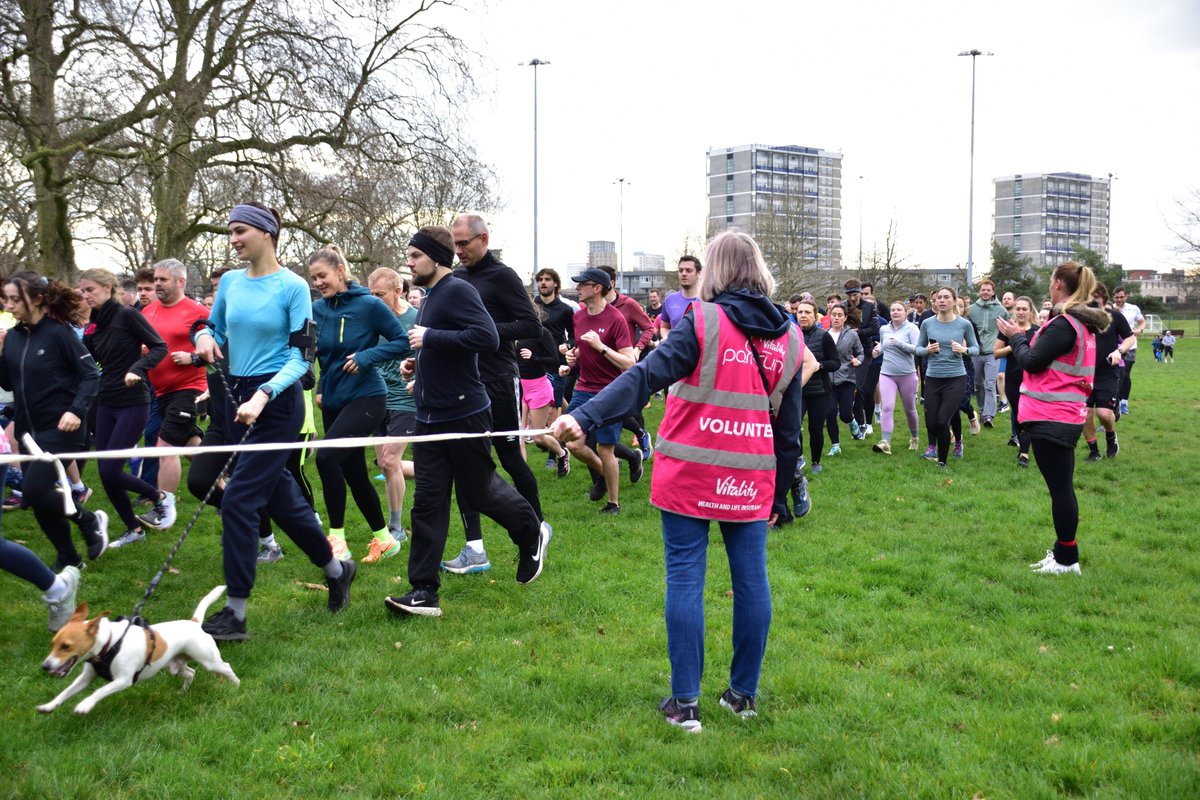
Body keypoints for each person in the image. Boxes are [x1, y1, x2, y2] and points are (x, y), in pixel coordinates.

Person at [551, 230, 816, 732]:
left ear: (714, 271)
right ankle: (742, 697)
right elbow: (788, 428)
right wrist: (780, 493)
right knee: (751, 582)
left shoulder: (703, 319)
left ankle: (685, 704)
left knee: (687, 580)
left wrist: (585, 417)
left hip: (691, 473)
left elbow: (643, 376)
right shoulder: (791, 335)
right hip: (751, 478)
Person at [194, 202, 355, 640]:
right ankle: (336, 569)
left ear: (267, 233)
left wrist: (265, 393)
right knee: (280, 499)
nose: (233, 239)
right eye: (230, 231)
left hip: (277, 401)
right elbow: (214, 328)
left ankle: (235, 613)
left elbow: (301, 357)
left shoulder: (293, 286)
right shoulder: (229, 282)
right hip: (235, 399)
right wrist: (205, 336)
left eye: (240, 230)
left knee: (239, 501)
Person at [384, 225, 549, 618]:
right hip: (430, 413)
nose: (409, 264)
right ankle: (423, 591)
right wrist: (419, 364)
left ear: (435, 259)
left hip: (464, 413)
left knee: (479, 492)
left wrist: (432, 339)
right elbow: (442, 342)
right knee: (427, 502)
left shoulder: (458, 289)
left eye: (414, 257)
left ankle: (531, 532)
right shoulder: (434, 295)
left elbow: (487, 337)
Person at [441, 214, 548, 576]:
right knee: (465, 464)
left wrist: (483, 330)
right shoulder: (456, 277)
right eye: (454, 244)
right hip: (465, 383)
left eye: (464, 243)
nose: (458, 251)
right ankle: (475, 549)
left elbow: (531, 325)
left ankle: (537, 529)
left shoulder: (502, 276)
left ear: (483, 239)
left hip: (499, 379)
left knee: (510, 458)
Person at [998, 261, 1107, 575]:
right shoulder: (1080, 324)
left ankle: (1066, 560)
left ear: (1059, 283)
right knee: (1062, 487)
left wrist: (1016, 337)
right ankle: (1063, 552)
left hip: (1052, 415)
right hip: (1065, 413)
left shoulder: (1064, 324)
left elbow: (1032, 361)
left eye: (1050, 280)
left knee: (1060, 489)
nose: (1049, 284)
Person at [0, 271, 108, 571]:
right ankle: (69, 557)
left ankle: (88, 519)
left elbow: (90, 376)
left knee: (33, 492)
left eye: (14, 299)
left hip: (63, 427)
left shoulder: (59, 333)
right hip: (28, 432)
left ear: (36, 299)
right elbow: (8, 384)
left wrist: (76, 410)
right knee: (37, 499)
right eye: (5, 299)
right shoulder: (13, 338)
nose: (8, 306)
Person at [309, 245, 408, 563]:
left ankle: (336, 538)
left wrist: (367, 356)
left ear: (340, 271)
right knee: (353, 472)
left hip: (368, 396)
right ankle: (384, 539)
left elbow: (401, 341)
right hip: (334, 400)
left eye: (322, 276)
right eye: (314, 278)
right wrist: (321, 385)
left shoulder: (369, 305)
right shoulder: (317, 309)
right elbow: (321, 354)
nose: (318, 283)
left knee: (325, 459)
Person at [77, 269, 167, 548]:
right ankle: (133, 529)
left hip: (133, 401)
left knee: (110, 470)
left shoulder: (127, 314)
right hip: (106, 402)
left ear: (108, 288)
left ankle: (159, 497)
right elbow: (88, 360)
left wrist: (137, 369)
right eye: (82, 291)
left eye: (90, 289)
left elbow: (158, 347)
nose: (85, 295)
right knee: (106, 471)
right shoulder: (93, 325)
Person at [136, 259, 210, 531]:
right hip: (161, 391)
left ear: (181, 282)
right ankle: (228, 487)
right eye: (155, 279)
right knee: (190, 445)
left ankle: (165, 508)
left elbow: (217, 347)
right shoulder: (148, 312)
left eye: (163, 280)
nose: (157, 284)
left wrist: (193, 357)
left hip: (190, 388)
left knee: (164, 447)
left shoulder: (197, 311)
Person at [558, 268, 638, 514]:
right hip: (583, 387)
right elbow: (584, 350)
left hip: (610, 392)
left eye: (583, 284)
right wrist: (573, 361)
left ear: (597, 288)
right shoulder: (579, 317)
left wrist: (601, 347)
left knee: (605, 448)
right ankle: (603, 475)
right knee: (569, 441)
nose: (578, 288)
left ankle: (613, 503)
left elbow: (629, 363)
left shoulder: (616, 319)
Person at [366, 267, 419, 555]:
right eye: (371, 294)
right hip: (376, 397)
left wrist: (414, 370)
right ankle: (430, 473)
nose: (374, 300)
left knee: (389, 461)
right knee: (388, 467)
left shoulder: (415, 319)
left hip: (405, 399)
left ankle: (396, 527)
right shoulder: (371, 318)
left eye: (380, 295)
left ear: (397, 291)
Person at [914, 287, 979, 467]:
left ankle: (942, 461)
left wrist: (963, 349)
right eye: (938, 298)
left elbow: (976, 349)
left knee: (943, 420)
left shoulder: (964, 324)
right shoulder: (927, 323)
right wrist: (927, 350)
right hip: (933, 378)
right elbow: (918, 349)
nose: (941, 300)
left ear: (953, 301)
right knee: (932, 423)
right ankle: (940, 451)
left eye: (946, 297)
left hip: (955, 378)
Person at [1081, 283, 1134, 462]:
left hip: (1107, 373)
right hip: (1084, 374)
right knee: (1084, 414)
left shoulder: (1115, 317)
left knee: (1103, 413)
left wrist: (1119, 351)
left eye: (1095, 299)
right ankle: (1093, 450)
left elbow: (1130, 337)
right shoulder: (1081, 319)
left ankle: (1111, 436)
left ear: (1103, 299)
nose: (1092, 304)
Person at [517, 301, 570, 477]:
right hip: (519, 387)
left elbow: (554, 360)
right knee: (519, 436)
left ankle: (562, 454)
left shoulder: (542, 333)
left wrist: (533, 358)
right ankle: (522, 480)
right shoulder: (514, 335)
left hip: (538, 387)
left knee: (538, 436)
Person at [872, 301, 921, 454]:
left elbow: (918, 349)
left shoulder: (912, 328)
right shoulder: (884, 329)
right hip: (887, 373)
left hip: (907, 374)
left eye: (899, 310)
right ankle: (885, 442)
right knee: (887, 407)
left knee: (910, 409)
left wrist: (899, 343)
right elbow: (883, 345)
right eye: (893, 310)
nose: (895, 312)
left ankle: (914, 437)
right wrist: (877, 350)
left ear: (905, 312)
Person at [794, 300, 838, 474]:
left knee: (815, 428)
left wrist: (818, 366)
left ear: (815, 316)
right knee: (794, 425)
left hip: (819, 391)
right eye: (800, 312)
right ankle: (799, 458)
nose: (803, 315)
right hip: (797, 390)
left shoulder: (824, 336)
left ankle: (816, 462)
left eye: (807, 312)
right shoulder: (791, 334)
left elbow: (835, 363)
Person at [995, 296, 1037, 466]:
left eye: (1024, 309)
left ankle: (1024, 453)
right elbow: (996, 353)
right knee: (1019, 414)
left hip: (1033, 379)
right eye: (1017, 309)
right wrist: (1013, 345)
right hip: (1013, 378)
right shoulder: (1007, 330)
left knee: (1029, 416)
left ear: (1030, 311)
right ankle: (1023, 446)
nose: (1020, 312)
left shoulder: (1038, 331)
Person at [533, 268, 576, 428]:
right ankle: (574, 418)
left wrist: (567, 345)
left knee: (554, 405)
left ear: (555, 284)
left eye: (547, 279)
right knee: (537, 402)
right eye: (540, 279)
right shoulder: (531, 306)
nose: (543, 282)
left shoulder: (565, 309)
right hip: (533, 360)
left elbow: (573, 335)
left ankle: (555, 447)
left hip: (556, 362)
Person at [967, 278, 1008, 428]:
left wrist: (1003, 344)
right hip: (976, 351)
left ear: (993, 292)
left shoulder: (1001, 310)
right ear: (979, 291)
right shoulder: (971, 309)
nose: (985, 292)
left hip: (993, 352)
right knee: (978, 384)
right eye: (983, 290)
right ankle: (982, 409)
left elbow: (1008, 327)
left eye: (988, 290)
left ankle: (988, 415)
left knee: (990, 384)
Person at [824, 304, 863, 456]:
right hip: (828, 380)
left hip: (847, 378)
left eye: (840, 315)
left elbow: (860, 352)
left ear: (845, 318)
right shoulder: (824, 334)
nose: (836, 318)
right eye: (834, 314)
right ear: (830, 316)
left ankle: (852, 422)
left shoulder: (852, 335)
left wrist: (857, 361)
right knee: (830, 413)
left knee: (846, 414)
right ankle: (835, 445)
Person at [1111, 286, 1145, 415]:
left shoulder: (1133, 308)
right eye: (1117, 297)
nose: (1119, 299)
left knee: (1125, 374)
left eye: (1121, 297)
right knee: (1116, 375)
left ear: (1126, 296)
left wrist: (1140, 330)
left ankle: (1123, 402)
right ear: (1113, 297)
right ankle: (1115, 403)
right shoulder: (1110, 308)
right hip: (1114, 346)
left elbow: (1142, 322)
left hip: (1130, 346)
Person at [658, 255, 702, 341]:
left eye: (688, 270)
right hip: (677, 352)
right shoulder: (670, 300)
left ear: (698, 273)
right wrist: (668, 340)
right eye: (681, 270)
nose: (684, 274)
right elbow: (664, 327)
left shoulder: (708, 300)